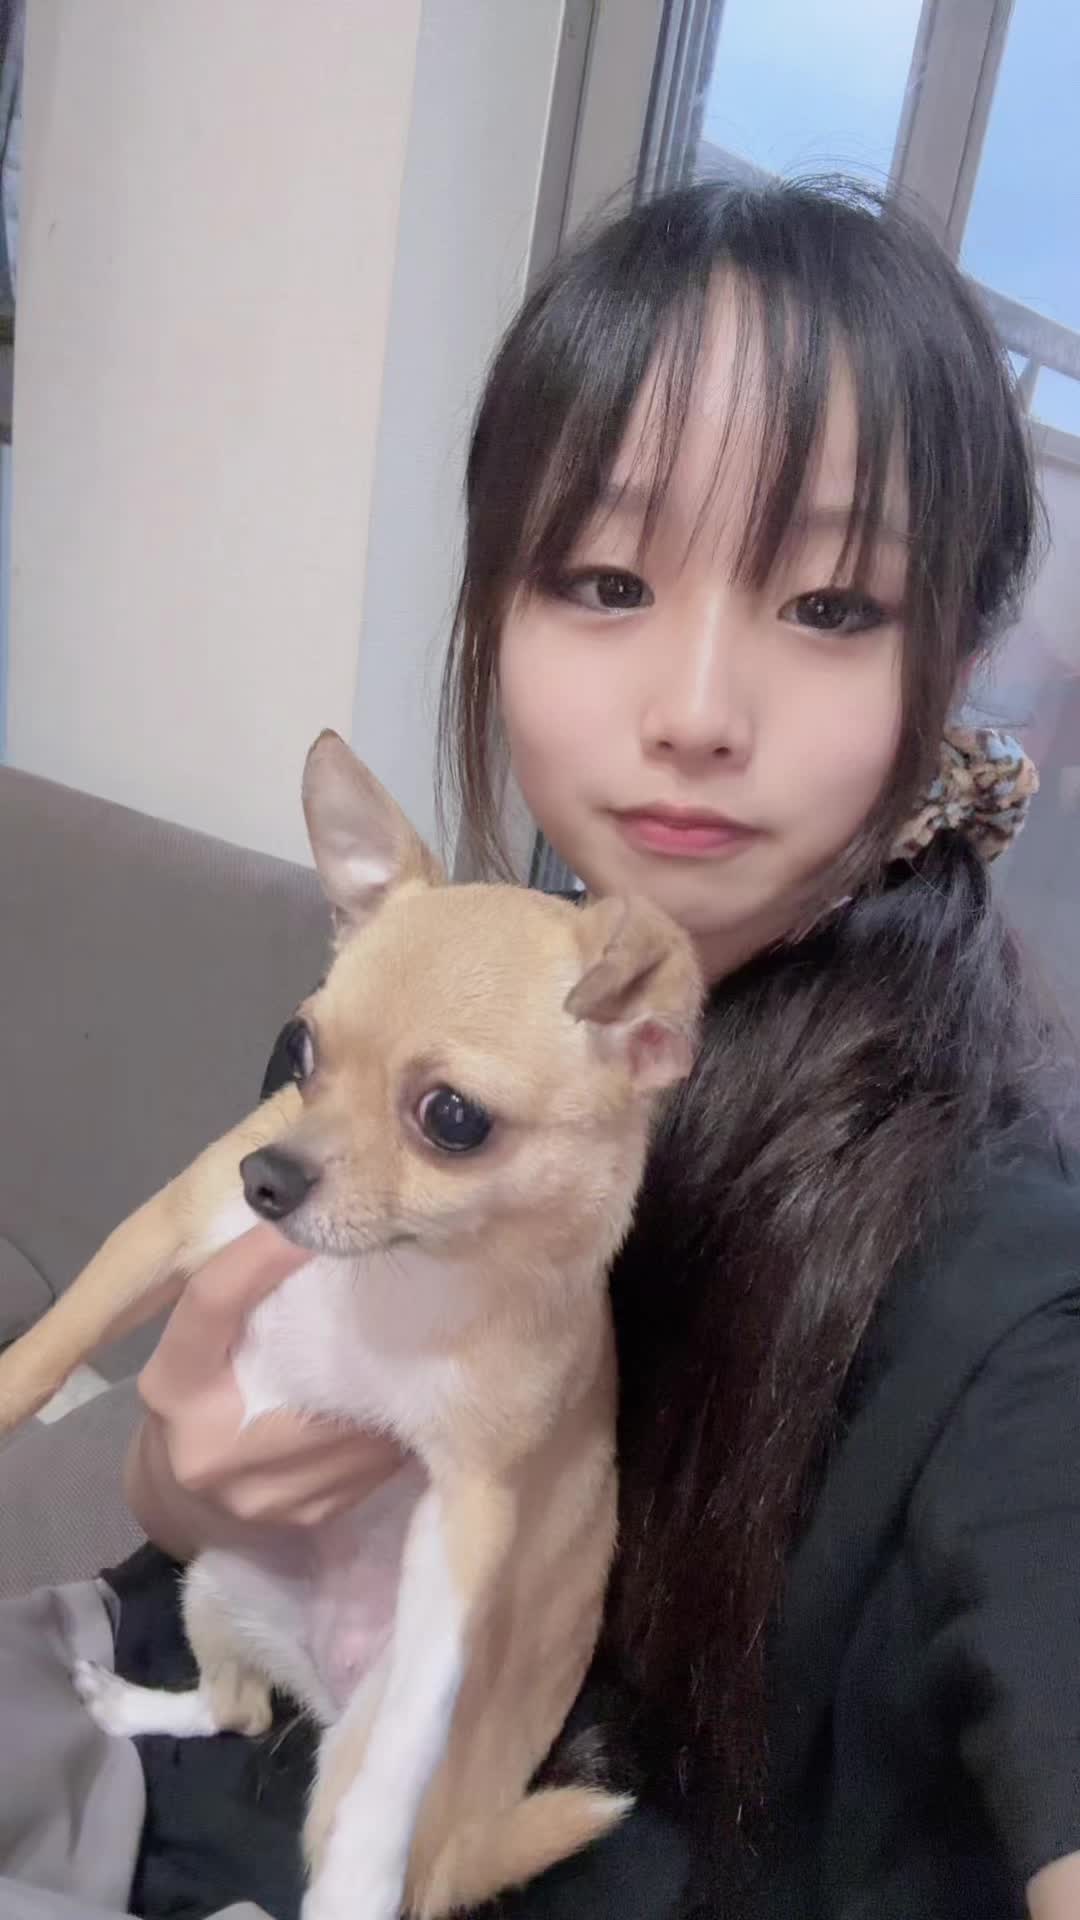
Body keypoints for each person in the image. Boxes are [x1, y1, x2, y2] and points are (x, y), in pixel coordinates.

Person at [6, 175, 1079, 1920]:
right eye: (605, 577)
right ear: (494, 607)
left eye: (831, 605)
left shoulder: (1007, 1289)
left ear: (952, 655)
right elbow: (188, 1475)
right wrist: (175, 1475)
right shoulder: (425, 998)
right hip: (145, 1744)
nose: (698, 711)